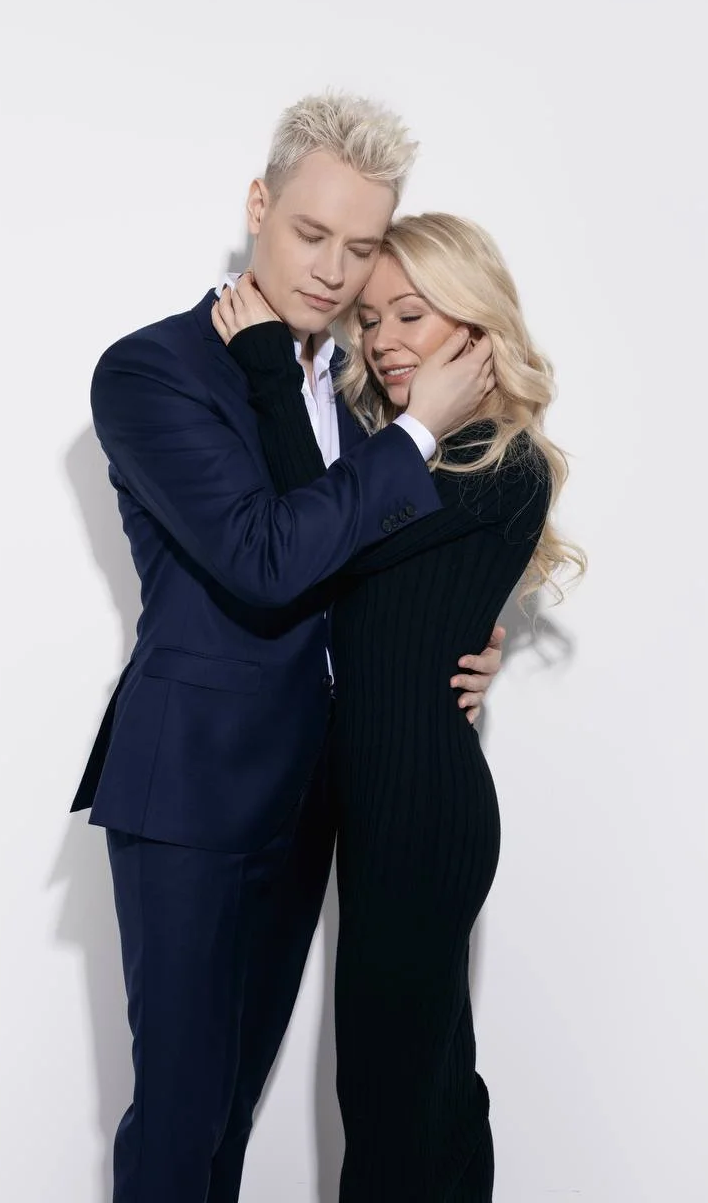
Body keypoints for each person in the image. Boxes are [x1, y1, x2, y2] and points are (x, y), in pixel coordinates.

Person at [71, 95, 507, 1203]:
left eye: (360, 247)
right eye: (311, 234)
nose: (333, 270)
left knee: (232, 1111)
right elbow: (265, 557)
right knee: (180, 1116)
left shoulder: (353, 389)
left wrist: (463, 632)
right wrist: (418, 432)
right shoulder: (152, 372)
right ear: (258, 205)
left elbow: (358, 566)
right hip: (195, 786)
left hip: (316, 791)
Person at [212, 211, 586, 1201]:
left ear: (474, 324)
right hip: (378, 799)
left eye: (410, 314)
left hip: (423, 807)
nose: (380, 340)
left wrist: (266, 363)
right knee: (414, 1083)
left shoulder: (501, 460)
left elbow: (321, 542)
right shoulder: (400, 455)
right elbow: (355, 589)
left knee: (397, 1092)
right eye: (369, 320)